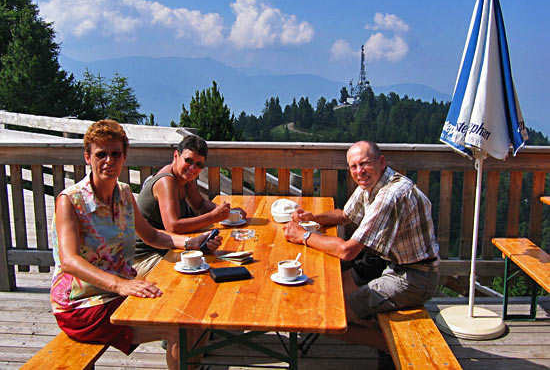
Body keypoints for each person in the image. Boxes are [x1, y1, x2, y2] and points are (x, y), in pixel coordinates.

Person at [50, 120, 222, 370]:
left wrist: (191, 242)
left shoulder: (124, 195)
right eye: (101, 154)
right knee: (178, 327)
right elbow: (69, 261)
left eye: (115, 154)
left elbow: (152, 235)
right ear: (87, 157)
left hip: (118, 292)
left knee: (193, 314)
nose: (109, 161)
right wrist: (121, 284)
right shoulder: (70, 201)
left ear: (124, 156)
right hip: (82, 304)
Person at [284, 140, 439, 369]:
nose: (359, 171)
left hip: (414, 278)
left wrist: (303, 237)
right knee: (338, 294)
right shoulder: (372, 184)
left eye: (365, 164)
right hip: (394, 267)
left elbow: (347, 251)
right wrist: (312, 219)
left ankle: (393, 348)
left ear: (381, 162)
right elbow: (345, 215)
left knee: (333, 317)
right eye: (354, 166)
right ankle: (379, 330)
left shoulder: (389, 195)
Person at [133, 135, 246, 277]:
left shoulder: (184, 177)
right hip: (147, 256)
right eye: (188, 161)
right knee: (204, 268)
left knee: (217, 259)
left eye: (199, 165)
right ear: (176, 155)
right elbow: (173, 226)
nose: (192, 168)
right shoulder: (166, 181)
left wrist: (229, 212)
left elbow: (200, 204)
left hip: (171, 246)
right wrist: (213, 217)